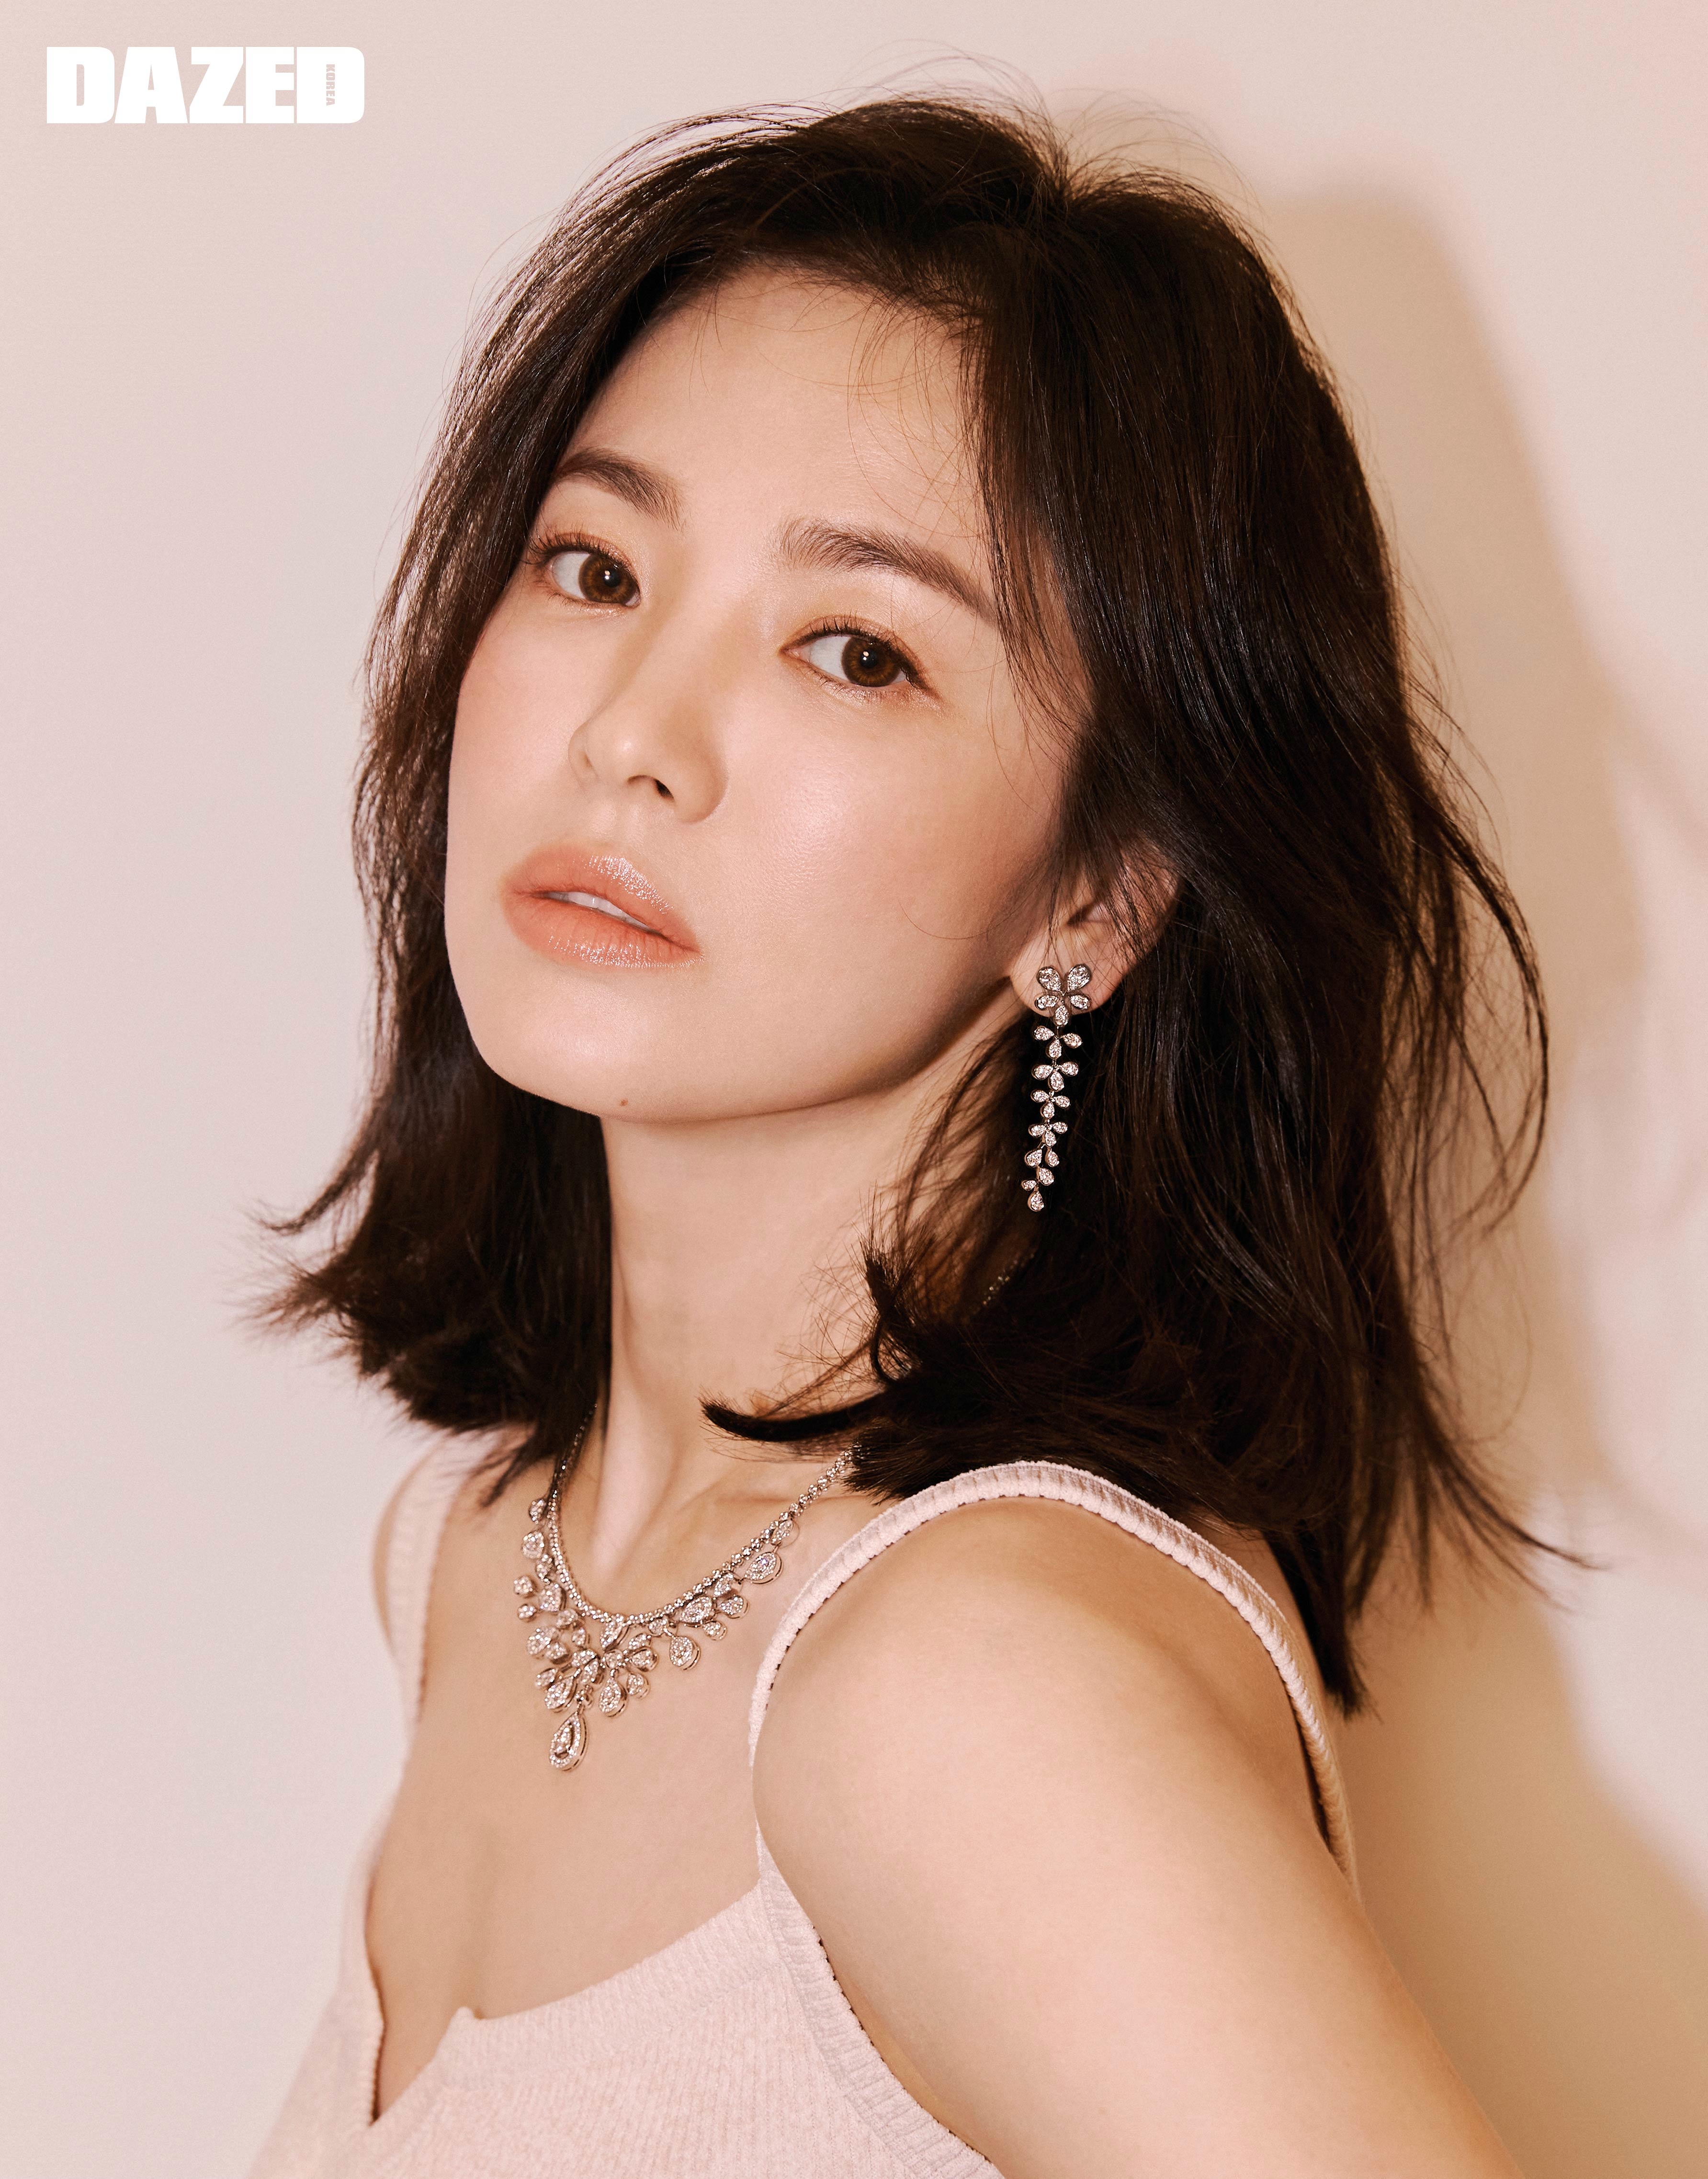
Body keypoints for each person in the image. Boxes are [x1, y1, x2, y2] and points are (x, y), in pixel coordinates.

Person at [252, 92, 1545, 2178]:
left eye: (855, 651)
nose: (633, 733)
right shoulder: (472, 1552)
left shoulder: (971, 1676)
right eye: (595, 565)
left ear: (1096, 895)